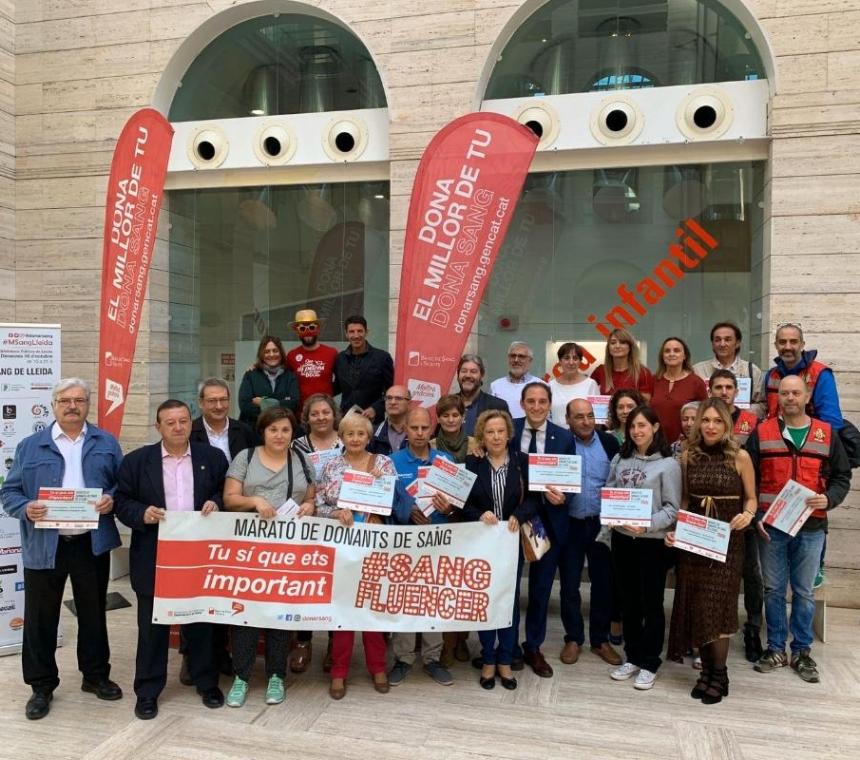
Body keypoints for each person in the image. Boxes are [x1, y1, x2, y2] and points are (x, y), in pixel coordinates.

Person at [1, 378, 123, 720]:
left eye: (80, 400)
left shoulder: (106, 442)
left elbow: (120, 484)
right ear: (54, 405)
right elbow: (9, 493)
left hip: (90, 542)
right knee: (40, 619)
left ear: (88, 404)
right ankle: (41, 686)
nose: (73, 406)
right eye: (65, 400)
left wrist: (111, 499)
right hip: (44, 545)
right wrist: (26, 507)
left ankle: (95, 676)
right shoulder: (30, 445)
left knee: (93, 613)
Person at [114, 400, 228, 720]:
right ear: (158, 427)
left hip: (199, 554)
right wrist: (142, 513)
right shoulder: (137, 461)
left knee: (202, 623)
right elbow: (121, 501)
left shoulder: (212, 458)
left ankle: (207, 683)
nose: (178, 427)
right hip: (155, 554)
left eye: (182, 421)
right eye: (170, 422)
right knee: (153, 629)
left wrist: (216, 503)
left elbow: (226, 491)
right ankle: (148, 691)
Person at [746, 376, 851, 683]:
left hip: (812, 525)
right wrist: (754, 516)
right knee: (773, 589)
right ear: (778, 397)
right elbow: (748, 479)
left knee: (804, 592)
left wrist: (829, 498)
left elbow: (842, 477)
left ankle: (801, 651)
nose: (790, 397)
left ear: (807, 397)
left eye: (796, 393)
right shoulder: (761, 432)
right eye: (784, 393)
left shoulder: (827, 434)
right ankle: (776, 647)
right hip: (771, 525)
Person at [222, 407, 316, 708]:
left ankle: (276, 674)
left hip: (288, 551)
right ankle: (242, 676)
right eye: (273, 429)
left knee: (280, 612)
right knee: (245, 612)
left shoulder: (300, 458)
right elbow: (229, 498)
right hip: (248, 550)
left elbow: (311, 494)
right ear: (263, 431)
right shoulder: (246, 458)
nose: (279, 435)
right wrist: (255, 500)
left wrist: (310, 506)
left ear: (293, 433)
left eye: (285, 430)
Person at [666, 399, 757, 704]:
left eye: (718, 421)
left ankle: (719, 674)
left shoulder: (741, 456)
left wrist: (748, 514)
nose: (710, 426)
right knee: (698, 604)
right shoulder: (687, 455)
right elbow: (683, 501)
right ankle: (706, 674)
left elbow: (752, 499)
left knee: (719, 605)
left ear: (727, 425)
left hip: (729, 540)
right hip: (695, 539)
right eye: (706, 420)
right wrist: (675, 531)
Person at [314, 412, 411, 699]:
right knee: (344, 611)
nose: (355, 439)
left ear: (369, 437)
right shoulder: (331, 466)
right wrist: (335, 512)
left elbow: (399, 504)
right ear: (341, 437)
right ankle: (339, 671)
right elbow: (318, 503)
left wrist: (385, 492)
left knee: (372, 609)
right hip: (342, 548)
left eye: (361, 434)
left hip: (375, 546)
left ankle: (378, 667)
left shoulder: (384, 463)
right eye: (349, 434)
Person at [184, 377, 256, 683]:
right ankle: (191, 655)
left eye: (223, 400)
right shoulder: (189, 430)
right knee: (197, 590)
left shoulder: (244, 430)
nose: (218, 406)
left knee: (229, 589)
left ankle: (222, 652)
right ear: (200, 403)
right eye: (211, 400)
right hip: (201, 518)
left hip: (238, 517)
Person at [606, 405, 681, 691]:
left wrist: (647, 525)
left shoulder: (669, 464)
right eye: (633, 426)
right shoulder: (620, 459)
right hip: (623, 540)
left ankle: (650, 662)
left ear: (656, 427)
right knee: (629, 602)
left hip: (652, 545)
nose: (637, 431)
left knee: (652, 603)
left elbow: (672, 509)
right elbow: (610, 491)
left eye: (643, 426)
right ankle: (633, 655)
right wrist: (612, 517)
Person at [463, 409, 537, 691]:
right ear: (482, 435)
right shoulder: (473, 463)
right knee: (484, 599)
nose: (496, 436)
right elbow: (464, 504)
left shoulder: (522, 462)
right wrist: (479, 514)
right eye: (490, 432)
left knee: (509, 599)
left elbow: (535, 499)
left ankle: (506, 658)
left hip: (511, 543)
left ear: (509, 434)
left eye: (500, 431)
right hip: (482, 544)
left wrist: (520, 513)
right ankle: (488, 658)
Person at [389, 408, 456, 686]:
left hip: (437, 540)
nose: (418, 433)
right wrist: (409, 509)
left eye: (423, 428)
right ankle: (403, 658)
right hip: (404, 541)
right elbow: (387, 501)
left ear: (432, 429)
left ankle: (432, 658)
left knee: (433, 599)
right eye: (413, 428)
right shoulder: (391, 462)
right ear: (404, 428)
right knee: (404, 599)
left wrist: (449, 508)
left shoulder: (446, 460)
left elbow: (457, 502)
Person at [513, 382, 576, 678]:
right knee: (509, 589)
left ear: (550, 404)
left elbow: (571, 479)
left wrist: (563, 496)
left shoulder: (564, 437)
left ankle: (533, 646)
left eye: (542, 401)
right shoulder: (507, 429)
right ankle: (508, 646)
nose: (536, 406)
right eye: (531, 401)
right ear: (523, 403)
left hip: (548, 524)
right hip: (511, 523)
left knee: (540, 590)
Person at [560, 399, 622, 667]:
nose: (585, 422)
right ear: (568, 419)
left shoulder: (609, 443)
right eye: (578, 417)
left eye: (589, 416)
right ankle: (573, 638)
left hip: (601, 524)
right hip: (570, 523)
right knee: (569, 584)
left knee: (603, 584)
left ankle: (600, 640)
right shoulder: (561, 443)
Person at [707, 369, 764, 660]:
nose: (724, 391)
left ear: (737, 391)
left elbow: (761, 465)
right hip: (710, 512)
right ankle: (705, 635)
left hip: (744, 511)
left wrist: (753, 511)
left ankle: (753, 628)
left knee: (750, 573)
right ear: (710, 389)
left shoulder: (753, 423)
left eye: (729, 387)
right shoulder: (703, 421)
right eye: (719, 386)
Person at [289, 393, 342, 674]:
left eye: (326, 412)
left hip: (341, 521)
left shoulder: (348, 439)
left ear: (334, 414)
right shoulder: (297, 445)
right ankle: (304, 640)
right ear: (306, 418)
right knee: (307, 581)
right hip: (307, 520)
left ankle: (334, 643)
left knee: (336, 583)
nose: (321, 417)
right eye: (315, 413)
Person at [764, 322, 844, 429]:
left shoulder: (821, 374)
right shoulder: (771, 375)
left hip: (810, 440)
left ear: (802, 345)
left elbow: (832, 422)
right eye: (782, 342)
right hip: (775, 439)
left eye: (793, 342)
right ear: (776, 345)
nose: (787, 347)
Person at [693, 321, 764, 414]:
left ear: (737, 343)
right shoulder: (698, 371)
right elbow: (692, 403)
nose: (722, 344)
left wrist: (741, 413)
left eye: (728, 339)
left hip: (741, 425)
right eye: (717, 340)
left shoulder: (752, 371)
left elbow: (762, 404)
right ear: (712, 344)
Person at [332, 315, 393, 422]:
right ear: (346, 334)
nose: (356, 335)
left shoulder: (382, 358)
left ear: (366, 332)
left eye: (360, 331)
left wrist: (376, 408)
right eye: (351, 332)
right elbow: (337, 387)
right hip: (346, 419)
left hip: (373, 420)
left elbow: (391, 391)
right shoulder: (339, 359)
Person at [650, 336, 708, 445]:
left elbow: (705, 415)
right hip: (654, 444)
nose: (671, 354)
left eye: (676, 350)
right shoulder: (653, 380)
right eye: (667, 351)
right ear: (662, 356)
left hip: (685, 445)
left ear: (684, 356)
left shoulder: (696, 382)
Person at [238, 335, 300, 427]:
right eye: (267, 351)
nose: (271, 354)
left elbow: (294, 404)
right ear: (261, 354)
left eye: (275, 350)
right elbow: (245, 405)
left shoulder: (290, 376)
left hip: (282, 431)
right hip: (254, 432)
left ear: (281, 353)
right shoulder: (250, 375)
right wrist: (280, 404)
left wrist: (263, 403)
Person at [285, 309, 338, 404]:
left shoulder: (332, 353)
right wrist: (257, 366)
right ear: (297, 331)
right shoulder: (291, 356)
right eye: (302, 328)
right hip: (300, 413)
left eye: (311, 327)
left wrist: (327, 395)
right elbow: (283, 381)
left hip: (325, 412)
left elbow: (342, 380)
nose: (307, 332)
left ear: (318, 329)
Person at [590, 328, 654, 400]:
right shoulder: (600, 371)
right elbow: (588, 393)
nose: (617, 346)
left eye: (622, 342)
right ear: (608, 348)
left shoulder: (643, 372)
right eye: (613, 343)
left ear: (630, 347)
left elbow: (645, 403)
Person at [456, 353, 509, 435]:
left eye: (473, 372)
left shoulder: (497, 406)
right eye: (464, 371)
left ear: (482, 375)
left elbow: (506, 438)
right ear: (458, 375)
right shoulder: (448, 403)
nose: (468, 375)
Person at [548, 342, 600, 424]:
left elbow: (597, 418)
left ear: (580, 361)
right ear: (560, 361)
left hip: (583, 435)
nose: (571, 362)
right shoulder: (551, 386)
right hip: (556, 435)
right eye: (566, 358)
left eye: (575, 358)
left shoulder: (591, 384)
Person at [489, 341, 544, 418]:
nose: (516, 360)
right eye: (513, 356)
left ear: (530, 360)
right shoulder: (495, 386)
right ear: (508, 359)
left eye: (521, 356)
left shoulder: (541, 385)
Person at [431, 394, 479, 463]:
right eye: (445, 416)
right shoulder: (430, 446)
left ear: (463, 417)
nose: (451, 420)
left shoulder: (476, 445)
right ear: (438, 418)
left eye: (455, 415)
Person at [369, 385, 410, 455]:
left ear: (409, 403)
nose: (393, 402)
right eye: (389, 398)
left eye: (398, 398)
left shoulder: (419, 432)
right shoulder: (371, 433)